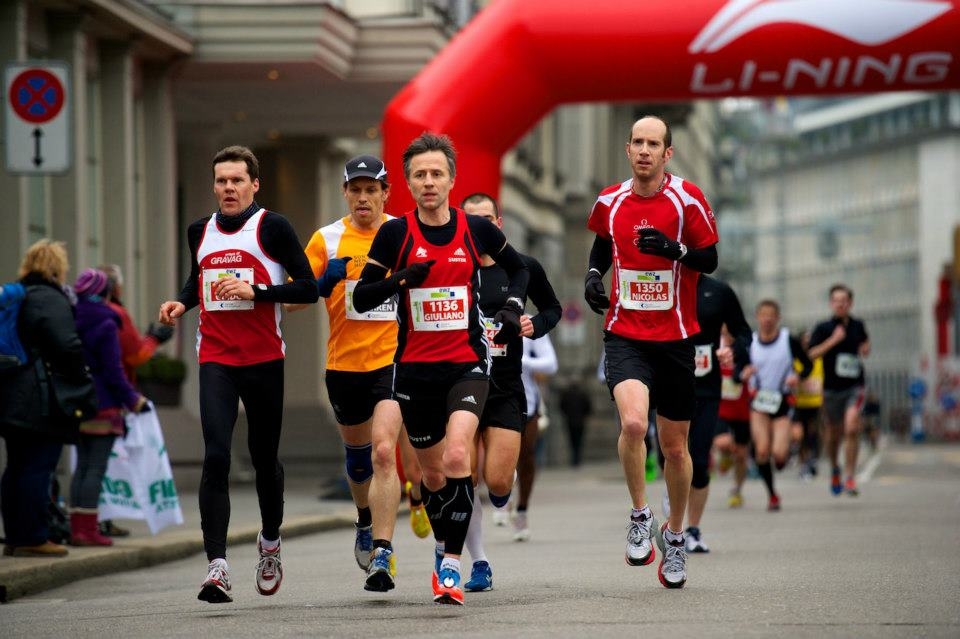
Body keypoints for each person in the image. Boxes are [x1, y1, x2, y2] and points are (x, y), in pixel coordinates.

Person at [352, 133, 529, 605]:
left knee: (457, 458)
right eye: (419, 175)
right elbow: (362, 296)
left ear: (451, 179)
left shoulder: (475, 230)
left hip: (467, 366)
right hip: (413, 372)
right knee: (431, 477)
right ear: (408, 183)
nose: (428, 182)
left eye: (436, 173)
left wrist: (512, 308)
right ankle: (443, 543)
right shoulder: (396, 234)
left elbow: (522, 270)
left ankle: (451, 564)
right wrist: (402, 279)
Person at [158, 145, 319, 603]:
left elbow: (308, 287)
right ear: (214, 185)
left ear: (254, 185)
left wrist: (258, 290)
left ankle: (269, 543)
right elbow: (198, 280)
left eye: (236, 181)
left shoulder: (273, 227)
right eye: (221, 181)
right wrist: (180, 303)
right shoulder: (200, 231)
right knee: (216, 455)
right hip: (216, 359)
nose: (228, 188)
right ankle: (217, 566)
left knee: (264, 458)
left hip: (265, 358)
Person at [584, 115, 719, 589]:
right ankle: (640, 514)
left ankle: (675, 535)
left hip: (677, 337)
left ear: (668, 154)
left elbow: (710, 258)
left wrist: (674, 250)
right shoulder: (611, 200)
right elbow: (603, 242)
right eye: (637, 143)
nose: (644, 150)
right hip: (625, 334)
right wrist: (592, 277)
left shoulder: (688, 200)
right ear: (628, 150)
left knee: (676, 448)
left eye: (653, 144)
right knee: (635, 423)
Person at [287, 154, 428, 594]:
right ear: (345, 193)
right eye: (356, 189)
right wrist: (323, 284)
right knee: (359, 459)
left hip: (393, 360)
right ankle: (365, 518)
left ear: (386, 193)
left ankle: (383, 551)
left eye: (372, 189)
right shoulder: (325, 239)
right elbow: (292, 300)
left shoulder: (403, 233)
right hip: (343, 364)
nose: (363, 197)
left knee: (386, 452)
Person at [459, 191, 561, 592]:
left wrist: (538, 323)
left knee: (498, 483)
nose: (481, 228)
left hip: (504, 388)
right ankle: (479, 561)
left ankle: (507, 476)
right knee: (463, 478)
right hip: (461, 383)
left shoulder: (522, 267)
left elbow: (552, 307)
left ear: (497, 224)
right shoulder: (454, 268)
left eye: (487, 219)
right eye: (472, 221)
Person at [0, 240, 87, 557]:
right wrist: (81, 376)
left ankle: (15, 536)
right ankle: (33, 537)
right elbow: (66, 345)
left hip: (10, 394)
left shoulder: (19, 295)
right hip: (38, 397)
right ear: (56, 267)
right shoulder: (49, 298)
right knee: (38, 467)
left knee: (17, 467)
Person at [71, 268, 149, 546]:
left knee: (81, 466)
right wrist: (133, 399)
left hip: (77, 402)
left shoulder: (71, 319)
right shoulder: (107, 322)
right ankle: (88, 530)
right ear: (105, 293)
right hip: (103, 403)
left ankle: (75, 527)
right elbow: (114, 370)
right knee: (96, 468)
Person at [98, 264, 174, 537]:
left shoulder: (83, 310)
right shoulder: (116, 314)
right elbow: (135, 356)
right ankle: (99, 521)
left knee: (92, 463)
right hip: (113, 398)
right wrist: (155, 339)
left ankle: (95, 520)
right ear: (116, 288)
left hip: (87, 396)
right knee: (105, 462)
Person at [678, 275, 751, 552]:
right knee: (670, 456)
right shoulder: (660, 282)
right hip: (669, 384)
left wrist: (733, 350)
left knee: (697, 458)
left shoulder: (718, 291)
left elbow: (743, 331)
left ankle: (692, 530)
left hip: (706, 389)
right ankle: (673, 492)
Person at [740, 300, 811, 511]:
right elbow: (738, 371)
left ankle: (781, 459)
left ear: (778, 318)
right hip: (759, 403)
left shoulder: (788, 340)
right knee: (762, 452)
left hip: (782, 401)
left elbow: (807, 364)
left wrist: (797, 376)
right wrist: (743, 374)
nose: (767, 319)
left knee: (779, 454)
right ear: (757, 317)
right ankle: (772, 495)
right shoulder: (750, 342)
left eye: (771, 315)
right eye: (763, 315)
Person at [807, 284, 870, 496]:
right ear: (831, 303)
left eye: (844, 300)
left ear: (850, 303)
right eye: (836, 300)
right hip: (832, 389)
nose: (840, 304)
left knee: (852, 427)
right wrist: (833, 340)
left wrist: (865, 348)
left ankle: (850, 476)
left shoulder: (858, 325)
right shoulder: (823, 327)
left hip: (855, 386)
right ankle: (835, 467)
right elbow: (811, 354)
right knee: (833, 435)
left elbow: (865, 344)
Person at [512, 332, 558, 542]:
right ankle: (503, 498)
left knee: (526, 456)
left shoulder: (528, 324)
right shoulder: (479, 313)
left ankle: (521, 509)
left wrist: (520, 358)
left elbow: (551, 364)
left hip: (527, 403)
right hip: (489, 399)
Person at [715, 327, 752, 508]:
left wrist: (747, 373)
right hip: (720, 407)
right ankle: (725, 455)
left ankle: (737, 489)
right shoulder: (714, 343)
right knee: (723, 443)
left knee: (742, 455)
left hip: (741, 408)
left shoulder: (745, 346)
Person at [791, 337, 823, 480]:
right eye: (803, 342)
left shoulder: (819, 360)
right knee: (800, 436)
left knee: (813, 433)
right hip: (799, 404)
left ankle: (812, 460)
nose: (806, 345)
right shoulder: (795, 361)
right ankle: (804, 463)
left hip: (815, 404)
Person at [559, 372, 593, 467]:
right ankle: (577, 458)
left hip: (570, 421)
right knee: (579, 440)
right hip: (580, 421)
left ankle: (575, 458)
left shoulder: (566, 394)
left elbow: (562, 406)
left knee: (572, 440)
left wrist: (566, 415)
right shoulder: (583, 394)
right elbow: (588, 407)